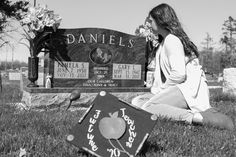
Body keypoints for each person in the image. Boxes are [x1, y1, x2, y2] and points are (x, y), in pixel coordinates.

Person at [132, 3, 234, 130]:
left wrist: (161, 91)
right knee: (137, 101)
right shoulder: (163, 42)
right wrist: (155, 91)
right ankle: (170, 110)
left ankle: (198, 117)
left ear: (160, 20)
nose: (148, 24)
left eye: (151, 20)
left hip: (187, 88)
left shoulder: (172, 40)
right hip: (176, 87)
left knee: (148, 106)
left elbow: (179, 74)